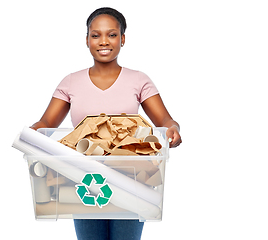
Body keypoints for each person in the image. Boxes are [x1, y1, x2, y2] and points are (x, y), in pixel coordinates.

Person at [31, 7, 182, 240]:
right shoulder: (71, 82)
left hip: (131, 181)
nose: (104, 41)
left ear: (122, 39)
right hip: (84, 181)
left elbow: (164, 120)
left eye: (112, 34)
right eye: (96, 35)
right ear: (87, 40)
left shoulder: (138, 80)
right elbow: (47, 122)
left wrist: (173, 129)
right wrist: (34, 131)